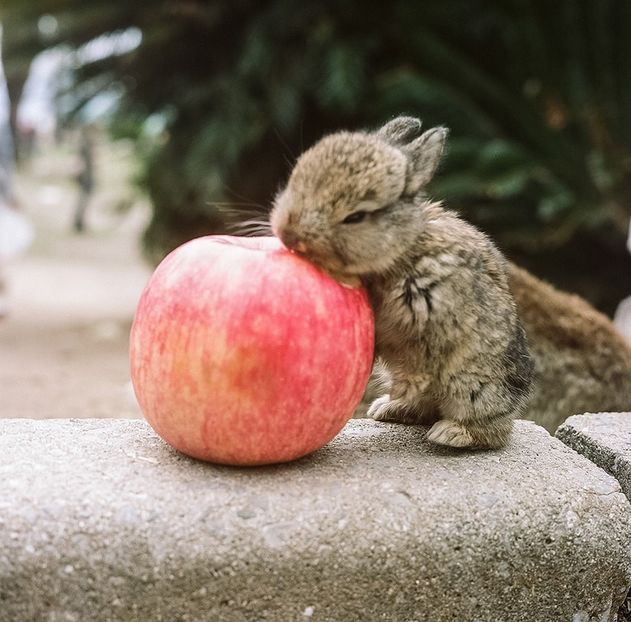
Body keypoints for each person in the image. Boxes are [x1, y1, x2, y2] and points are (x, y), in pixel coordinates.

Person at [73, 124, 95, 232]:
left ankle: (80, 222)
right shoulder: (85, 144)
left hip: (88, 175)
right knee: (83, 199)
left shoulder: (88, 143)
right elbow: (79, 161)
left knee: (85, 199)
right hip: (86, 176)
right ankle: (78, 222)